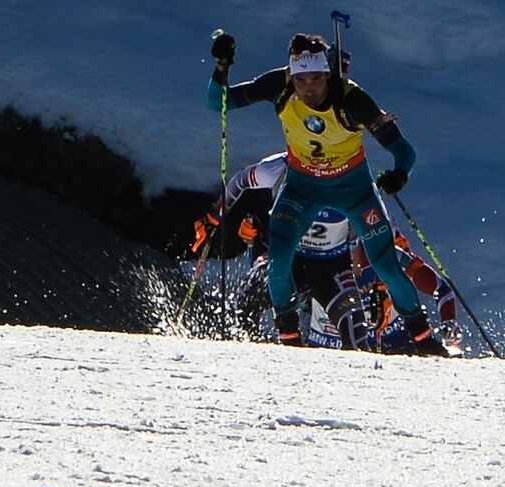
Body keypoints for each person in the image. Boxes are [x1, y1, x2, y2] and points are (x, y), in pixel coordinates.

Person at [206, 30, 448, 356]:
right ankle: (289, 341)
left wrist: (399, 175)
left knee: (387, 266)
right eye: (302, 79)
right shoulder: (280, 85)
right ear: (292, 73)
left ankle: (424, 340)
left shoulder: (352, 99)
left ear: (327, 74)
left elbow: (404, 150)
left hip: (354, 191)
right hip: (302, 189)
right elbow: (217, 103)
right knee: (277, 262)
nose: (308, 88)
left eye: (317, 79)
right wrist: (221, 67)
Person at [193, 151, 459, 352]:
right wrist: (219, 221)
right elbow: (241, 181)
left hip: (333, 271)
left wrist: (387, 274)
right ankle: (250, 354)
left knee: (352, 328)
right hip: (296, 265)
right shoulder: (283, 166)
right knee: (257, 293)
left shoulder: (354, 182)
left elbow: (410, 261)